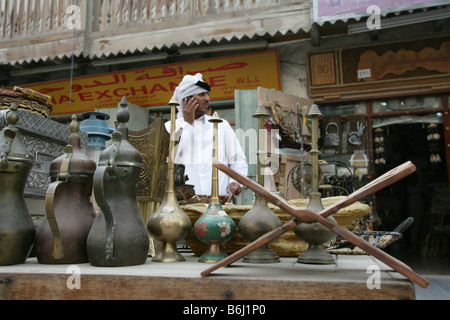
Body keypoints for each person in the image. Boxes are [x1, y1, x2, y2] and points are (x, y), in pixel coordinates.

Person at [165, 73, 248, 197]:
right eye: (201, 94)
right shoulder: (170, 126)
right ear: (187, 100)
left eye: (207, 94)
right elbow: (171, 158)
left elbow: (238, 159)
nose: (207, 99)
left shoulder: (221, 125)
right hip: (183, 204)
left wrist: (235, 182)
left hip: (219, 203)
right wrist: (188, 124)